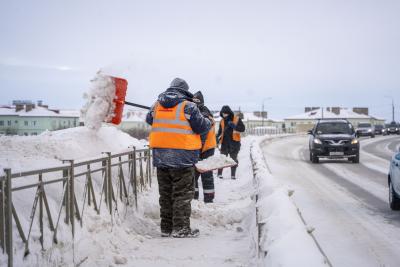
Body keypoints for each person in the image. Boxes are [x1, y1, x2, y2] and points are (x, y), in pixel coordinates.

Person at [146, 78, 211, 238]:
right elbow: (202, 127)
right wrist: (208, 120)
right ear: (185, 91)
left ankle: (166, 228)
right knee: (182, 194)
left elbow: (150, 119)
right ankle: (181, 228)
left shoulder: (156, 105)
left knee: (166, 194)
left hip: (161, 157)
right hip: (183, 157)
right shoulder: (189, 106)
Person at [192, 91, 217, 203]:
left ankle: (208, 198)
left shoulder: (204, 112)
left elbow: (203, 130)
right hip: (201, 147)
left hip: (206, 147)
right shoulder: (197, 111)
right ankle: (194, 197)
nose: (195, 103)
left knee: (205, 173)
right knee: (194, 173)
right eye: (194, 101)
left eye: (197, 101)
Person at [216, 105, 245, 179]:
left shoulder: (236, 119)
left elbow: (242, 129)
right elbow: (220, 132)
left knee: (233, 159)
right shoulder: (222, 121)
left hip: (234, 143)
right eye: (223, 113)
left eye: (226, 113)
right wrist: (216, 138)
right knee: (222, 158)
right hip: (224, 143)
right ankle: (219, 174)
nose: (224, 115)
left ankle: (233, 175)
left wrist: (234, 126)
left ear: (229, 113)